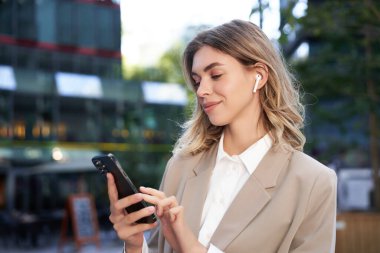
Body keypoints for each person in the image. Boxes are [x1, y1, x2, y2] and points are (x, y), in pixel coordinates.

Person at [107, 19, 337, 253]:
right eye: (197, 81)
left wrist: (192, 248)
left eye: (215, 75)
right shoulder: (181, 166)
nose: (201, 90)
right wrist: (135, 245)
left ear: (259, 76)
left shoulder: (313, 182)